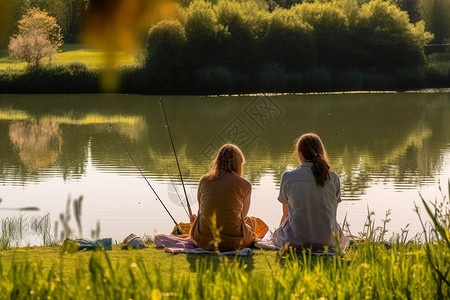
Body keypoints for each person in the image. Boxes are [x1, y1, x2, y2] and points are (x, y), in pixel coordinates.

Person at [273, 133, 343, 250]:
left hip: (297, 242)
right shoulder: (333, 177)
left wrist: (280, 236)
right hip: (328, 241)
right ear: (321, 152)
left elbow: (286, 214)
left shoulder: (288, 176)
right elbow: (331, 211)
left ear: (300, 154)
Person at [190, 143, 259, 251]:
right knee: (252, 222)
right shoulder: (244, 184)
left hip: (203, 240)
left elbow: (200, 211)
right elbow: (242, 216)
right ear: (238, 163)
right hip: (233, 242)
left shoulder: (204, 180)